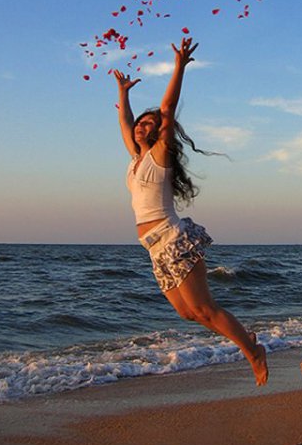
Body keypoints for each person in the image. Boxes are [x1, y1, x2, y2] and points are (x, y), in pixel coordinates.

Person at [113, 37, 268, 386]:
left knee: (204, 309)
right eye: (140, 123)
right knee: (187, 312)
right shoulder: (136, 161)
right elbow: (124, 122)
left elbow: (167, 109)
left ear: (159, 133)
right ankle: (246, 338)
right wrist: (123, 94)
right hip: (154, 249)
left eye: (148, 124)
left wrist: (179, 67)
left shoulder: (159, 156)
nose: (141, 126)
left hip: (173, 239)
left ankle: (253, 351)